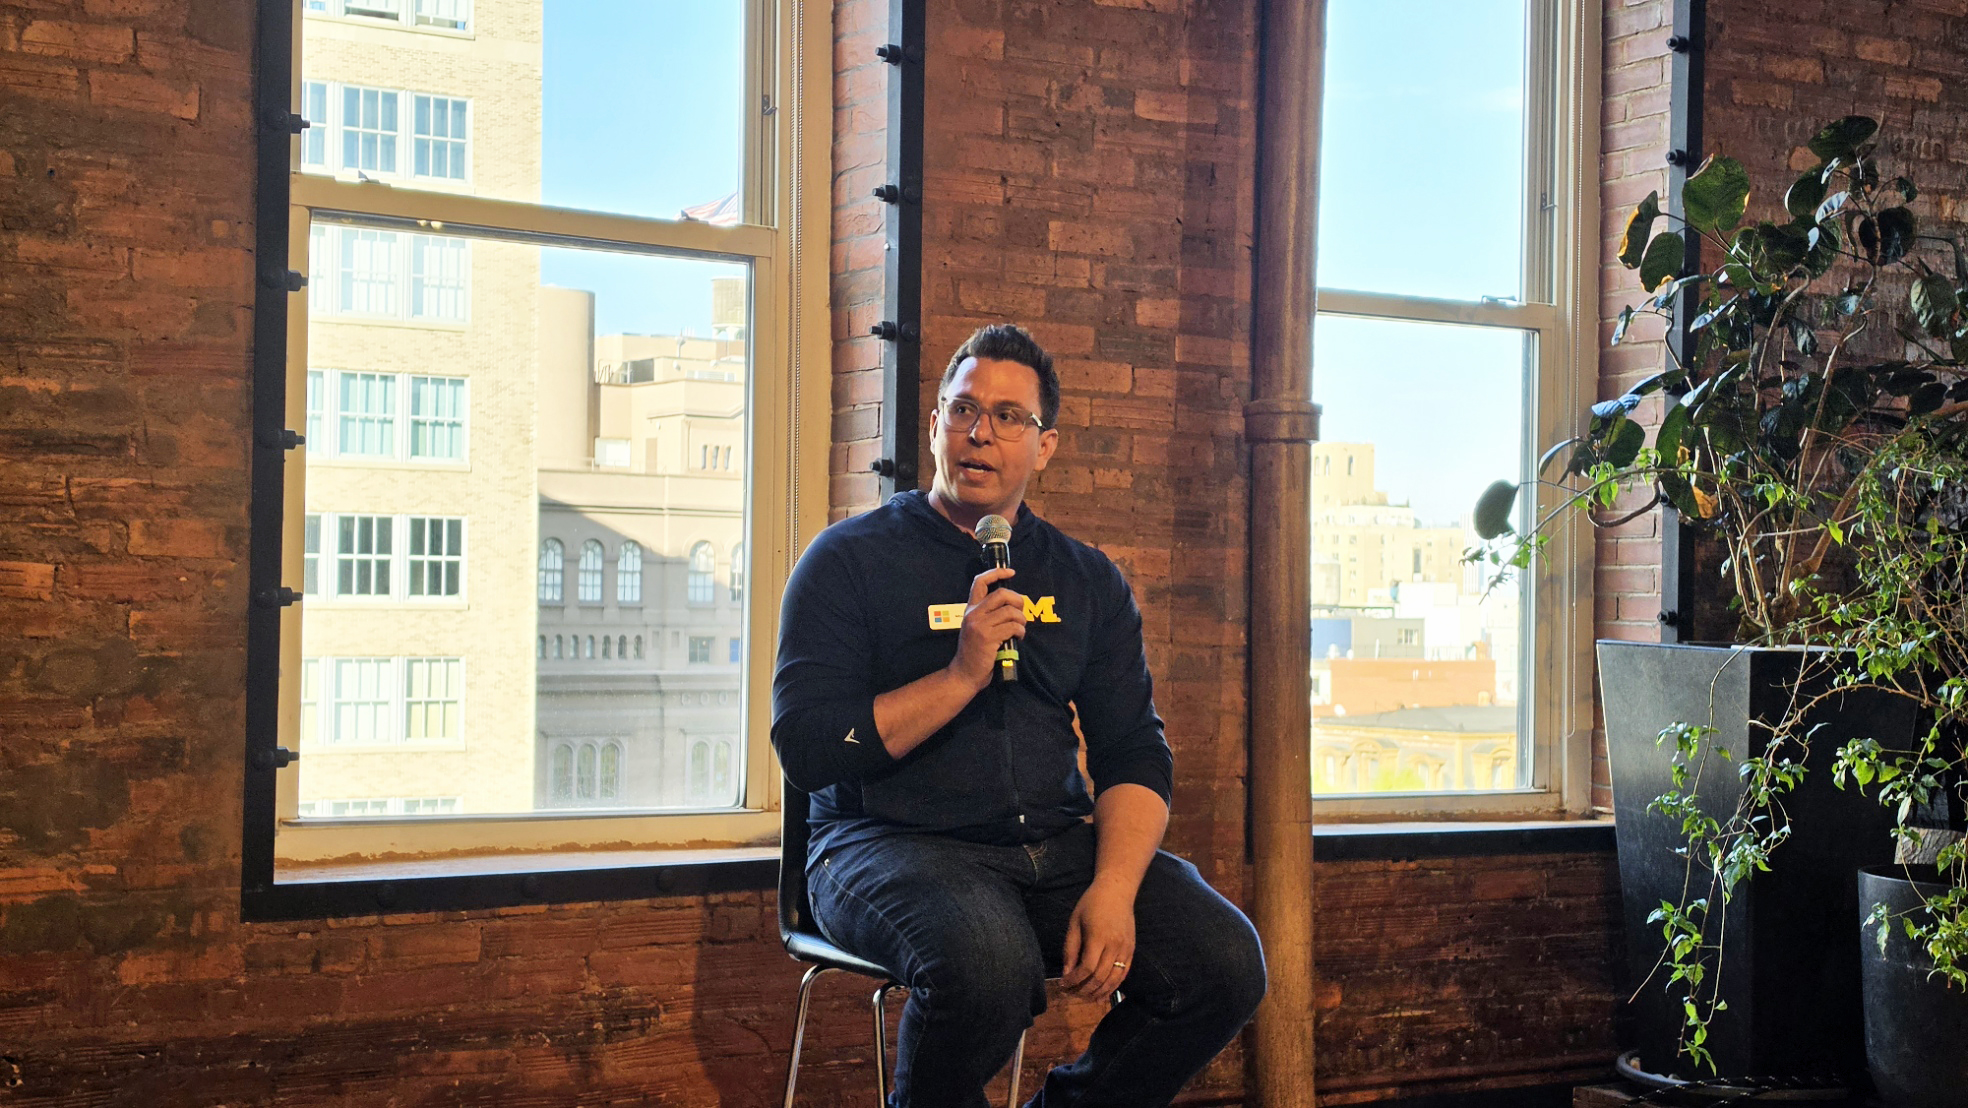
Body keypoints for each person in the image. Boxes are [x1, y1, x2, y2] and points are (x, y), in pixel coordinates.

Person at [772, 323, 1267, 1107]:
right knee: (985, 971)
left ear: (1045, 447)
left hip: (1051, 849)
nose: (981, 432)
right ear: (934, 425)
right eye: (963, 409)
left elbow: (1135, 753)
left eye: (1009, 417)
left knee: (1225, 963)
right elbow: (806, 747)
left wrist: (1112, 885)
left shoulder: (1084, 579)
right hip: (884, 845)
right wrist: (963, 674)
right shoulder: (846, 562)